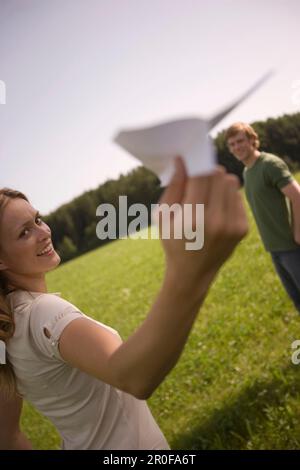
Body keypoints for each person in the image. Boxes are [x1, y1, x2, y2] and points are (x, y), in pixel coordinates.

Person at [0, 158, 248, 450]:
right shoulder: (44, 313)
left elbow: (7, 435)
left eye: (38, 220)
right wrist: (191, 272)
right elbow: (135, 376)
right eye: (24, 233)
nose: (44, 233)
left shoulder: (7, 325)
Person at [226, 122, 300, 312]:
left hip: (292, 247)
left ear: (252, 140)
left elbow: (297, 196)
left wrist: (298, 231)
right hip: (275, 249)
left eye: (240, 141)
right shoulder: (247, 171)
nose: (236, 147)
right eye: (232, 144)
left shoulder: (269, 164)